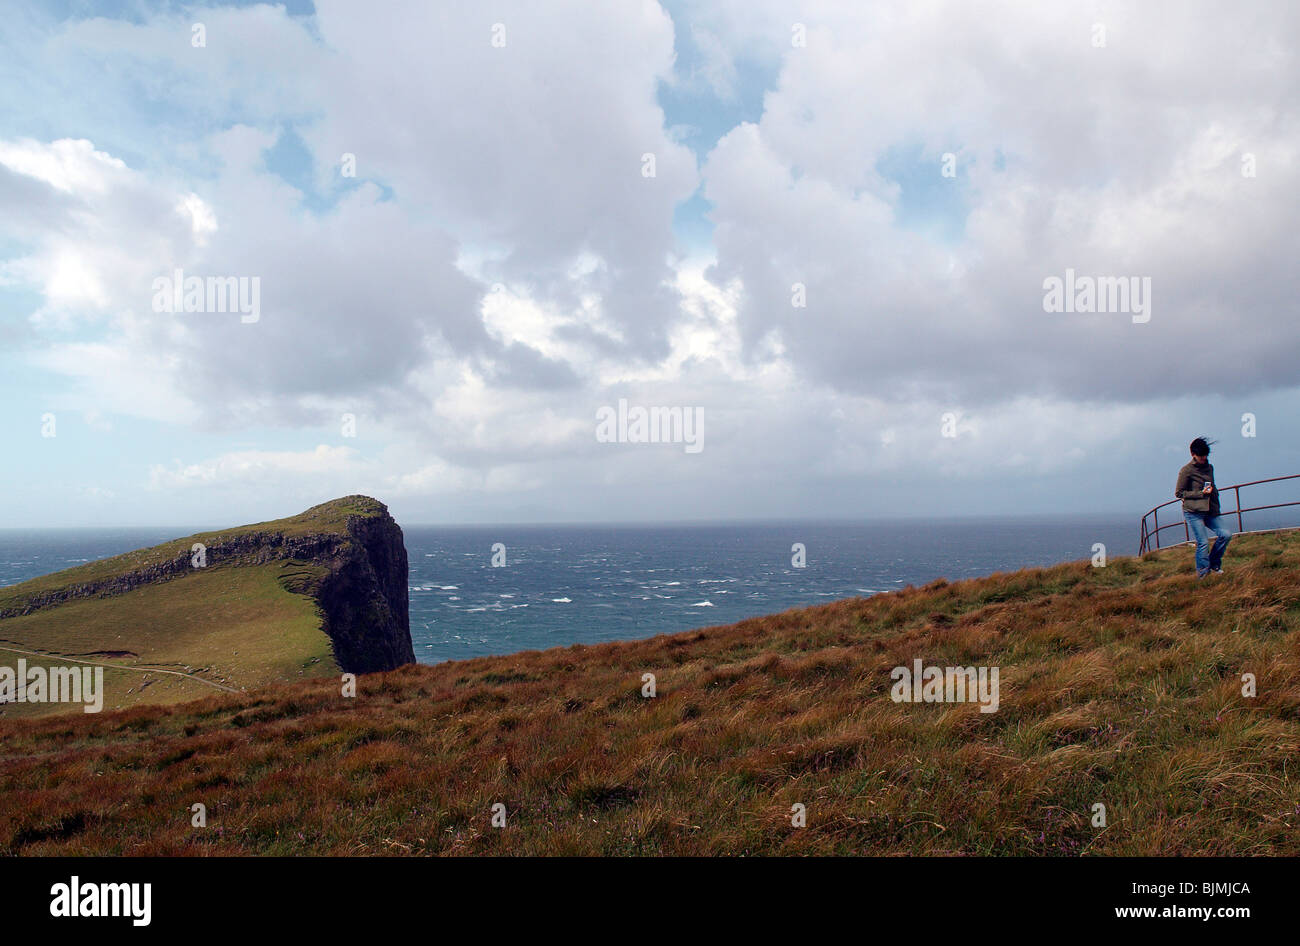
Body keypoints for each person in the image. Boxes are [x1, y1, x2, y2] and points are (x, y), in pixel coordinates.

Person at [1174, 436, 1232, 578]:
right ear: (1193, 454)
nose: (1204, 458)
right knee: (1203, 542)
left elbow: (1213, 487)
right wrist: (1200, 493)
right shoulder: (1186, 470)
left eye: (1205, 455)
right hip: (1193, 511)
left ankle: (1214, 564)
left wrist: (1215, 505)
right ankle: (1203, 574)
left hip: (1210, 510)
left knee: (1226, 534)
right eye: (1201, 456)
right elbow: (1179, 493)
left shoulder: (1210, 467)